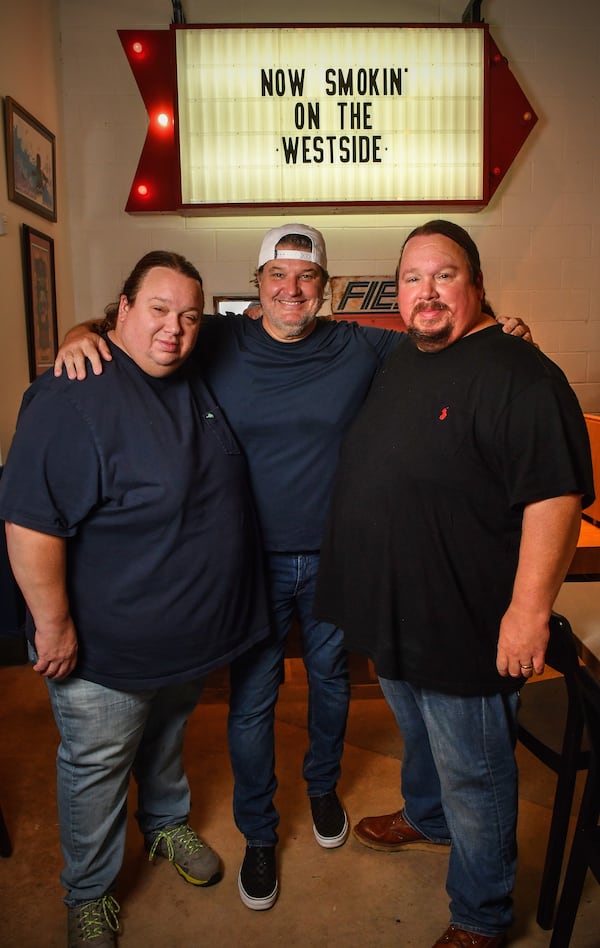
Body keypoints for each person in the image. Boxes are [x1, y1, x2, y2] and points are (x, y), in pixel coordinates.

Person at [54, 224, 533, 914]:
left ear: (327, 288)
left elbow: (446, 339)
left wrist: (500, 328)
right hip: (247, 561)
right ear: (257, 286)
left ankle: (321, 787)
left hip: (339, 556)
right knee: (254, 698)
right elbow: (123, 326)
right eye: (277, 276)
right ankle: (259, 829)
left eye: (307, 277)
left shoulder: (363, 346)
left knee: (332, 684)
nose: (292, 289)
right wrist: (78, 333)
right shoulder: (217, 338)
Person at [313, 220, 594, 948]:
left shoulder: (522, 375)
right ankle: (425, 815)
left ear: (475, 283)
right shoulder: (405, 356)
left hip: (465, 617)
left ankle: (481, 914)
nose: (426, 292)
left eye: (444, 275)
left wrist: (529, 613)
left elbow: (556, 498)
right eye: (412, 278)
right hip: (395, 608)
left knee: (477, 771)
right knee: (421, 736)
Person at [0, 252, 270, 946]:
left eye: (187, 315)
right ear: (120, 310)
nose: (173, 330)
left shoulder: (192, 373)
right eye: (157, 310)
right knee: (95, 769)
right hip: (104, 649)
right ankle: (87, 892)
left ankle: (166, 824)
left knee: (166, 742)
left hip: (186, 637)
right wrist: (52, 627)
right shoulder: (73, 393)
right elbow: (32, 522)